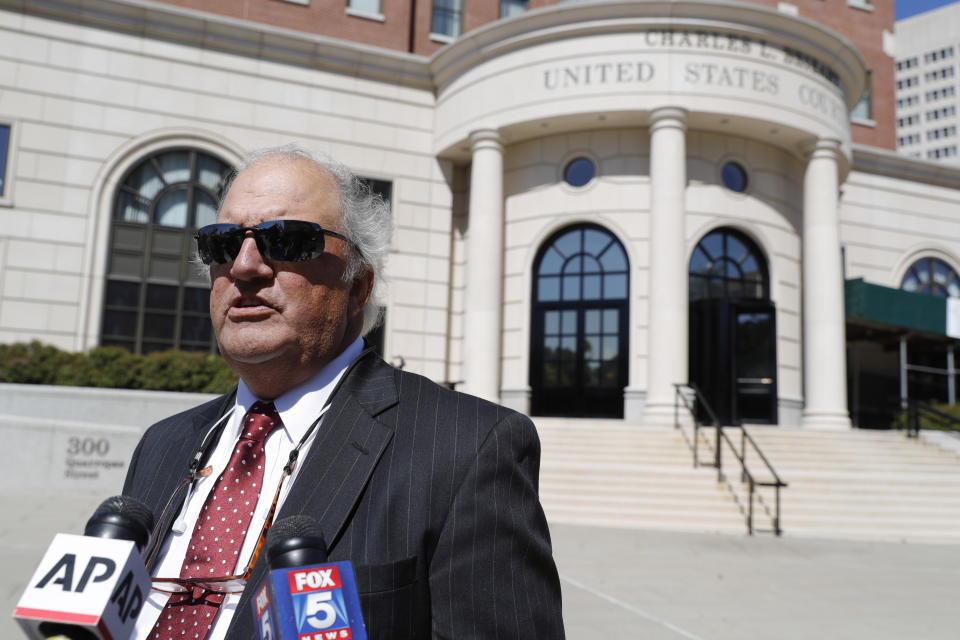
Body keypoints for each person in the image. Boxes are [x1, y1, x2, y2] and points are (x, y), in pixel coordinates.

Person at [121, 144, 565, 639]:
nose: (245, 266)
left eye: (285, 240)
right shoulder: (162, 444)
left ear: (358, 286)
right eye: (223, 243)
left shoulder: (469, 449)